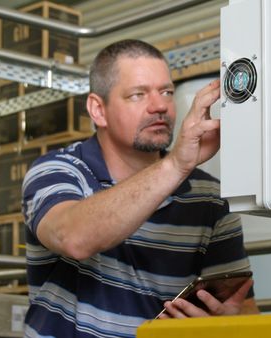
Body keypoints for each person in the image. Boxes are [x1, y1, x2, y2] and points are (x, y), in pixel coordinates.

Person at [21, 39, 258, 338]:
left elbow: (246, 308)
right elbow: (74, 238)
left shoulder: (208, 197)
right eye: (138, 94)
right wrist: (175, 166)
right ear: (98, 110)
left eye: (166, 92)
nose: (160, 106)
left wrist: (227, 323)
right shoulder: (59, 171)